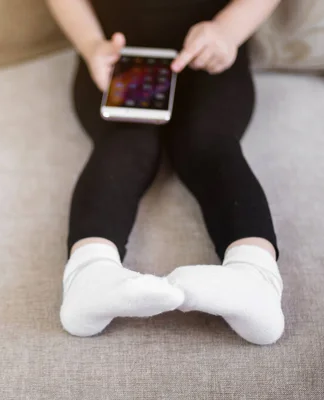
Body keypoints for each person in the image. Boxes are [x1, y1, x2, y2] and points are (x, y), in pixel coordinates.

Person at [47, 0, 284, 345]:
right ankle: (89, 274)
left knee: (209, 142)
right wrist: (91, 45)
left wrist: (229, 29)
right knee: (126, 144)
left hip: (213, 51)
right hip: (115, 56)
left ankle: (255, 276)